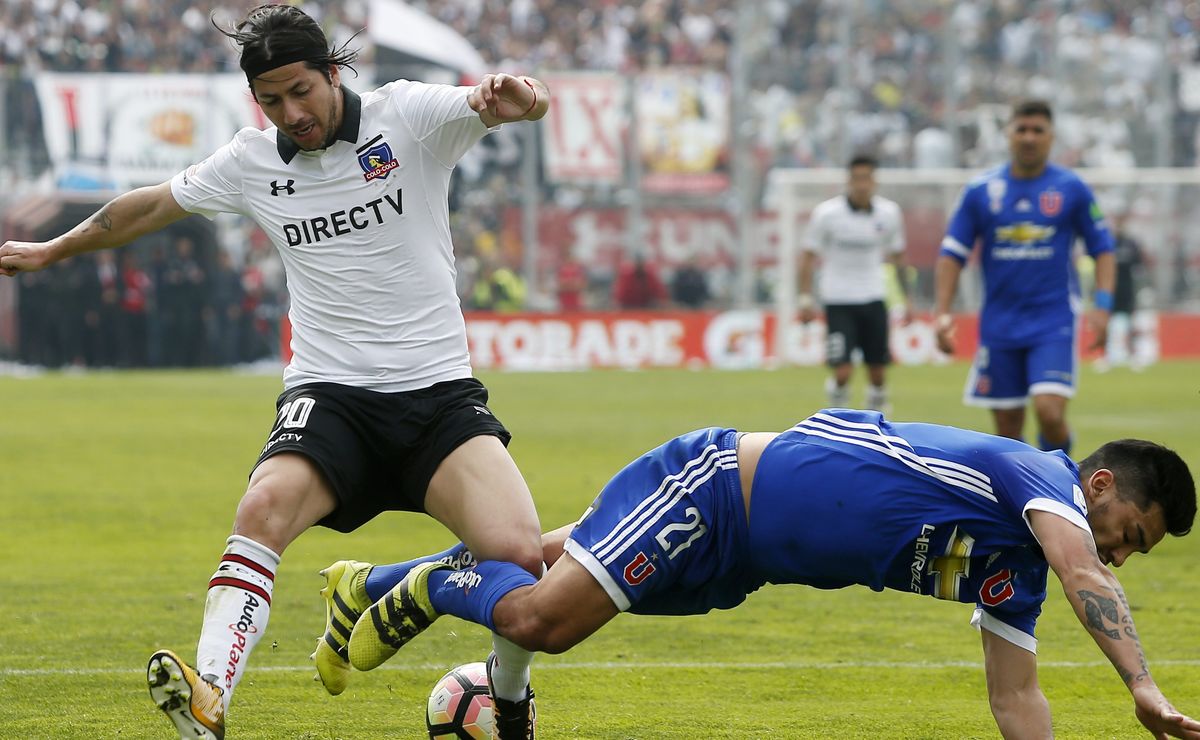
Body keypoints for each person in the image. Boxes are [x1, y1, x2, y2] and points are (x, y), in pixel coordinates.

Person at [0, 5, 550, 739]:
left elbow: (512, 100)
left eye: (301, 91)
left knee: (519, 559)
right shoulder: (251, 161)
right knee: (262, 508)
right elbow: (149, 207)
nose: (291, 113)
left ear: (332, 72)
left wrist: (521, 99)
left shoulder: (410, 117)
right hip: (331, 396)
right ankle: (209, 694)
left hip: (437, 396)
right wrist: (49, 249)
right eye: (271, 100)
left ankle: (506, 698)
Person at [336, 409, 1198, 738]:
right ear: (1100, 485)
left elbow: (1017, 698)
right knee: (541, 621)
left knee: (534, 559)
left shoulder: (1020, 577)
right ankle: (422, 592)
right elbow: (1088, 569)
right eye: (1132, 533)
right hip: (712, 487)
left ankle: (368, 587)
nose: (1122, 554)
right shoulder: (1041, 480)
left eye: (1134, 552)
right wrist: (1143, 687)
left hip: (739, 564)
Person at [934, 99, 1115, 454]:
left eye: (1038, 131)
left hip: (1053, 318)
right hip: (1000, 323)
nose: (1029, 138)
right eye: (1022, 130)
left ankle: (1062, 476)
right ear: (1008, 135)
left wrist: (1103, 305)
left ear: (1051, 137)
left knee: (1049, 410)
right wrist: (942, 313)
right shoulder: (981, 191)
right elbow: (952, 254)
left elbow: (1103, 248)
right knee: (1007, 429)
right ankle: (1019, 504)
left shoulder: (1071, 189)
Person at [800, 154, 911, 412]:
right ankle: (837, 418)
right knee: (842, 371)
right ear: (849, 181)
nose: (862, 184)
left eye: (867, 178)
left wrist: (907, 299)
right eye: (857, 178)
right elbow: (807, 257)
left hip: (874, 296)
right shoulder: (827, 214)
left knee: (878, 373)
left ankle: (878, 423)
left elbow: (898, 257)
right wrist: (805, 299)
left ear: (875, 181)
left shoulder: (889, 213)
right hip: (838, 299)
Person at [1097, 213, 1147, 371]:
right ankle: (1105, 356)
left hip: (1127, 288)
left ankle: (1134, 356)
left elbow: (1139, 267)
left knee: (1131, 322)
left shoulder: (1131, 243)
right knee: (1106, 321)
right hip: (1109, 288)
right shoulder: (1106, 243)